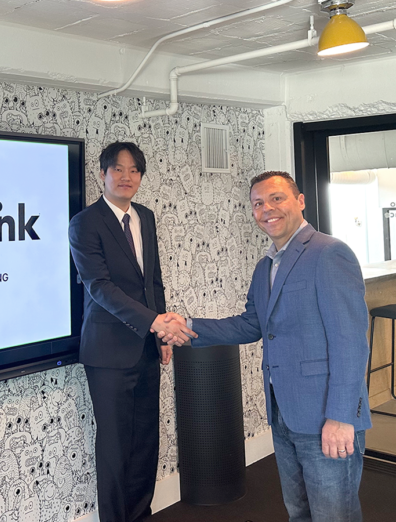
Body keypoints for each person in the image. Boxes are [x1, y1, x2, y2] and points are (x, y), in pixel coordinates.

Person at [164, 171, 372, 522]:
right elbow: (251, 324)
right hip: (283, 413)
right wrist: (188, 325)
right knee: (299, 512)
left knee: (335, 515)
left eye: (277, 198)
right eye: (258, 203)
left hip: (326, 415)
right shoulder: (265, 267)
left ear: (300, 201)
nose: (267, 209)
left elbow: (350, 342)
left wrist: (340, 417)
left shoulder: (329, 253)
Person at [68, 142, 194, 522]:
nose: (126, 177)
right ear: (102, 174)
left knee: (144, 442)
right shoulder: (85, 223)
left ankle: (141, 515)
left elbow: (152, 281)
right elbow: (100, 287)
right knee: (115, 447)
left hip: (147, 348)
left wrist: (161, 336)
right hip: (108, 353)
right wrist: (155, 322)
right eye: (118, 169)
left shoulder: (146, 217)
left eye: (134, 170)